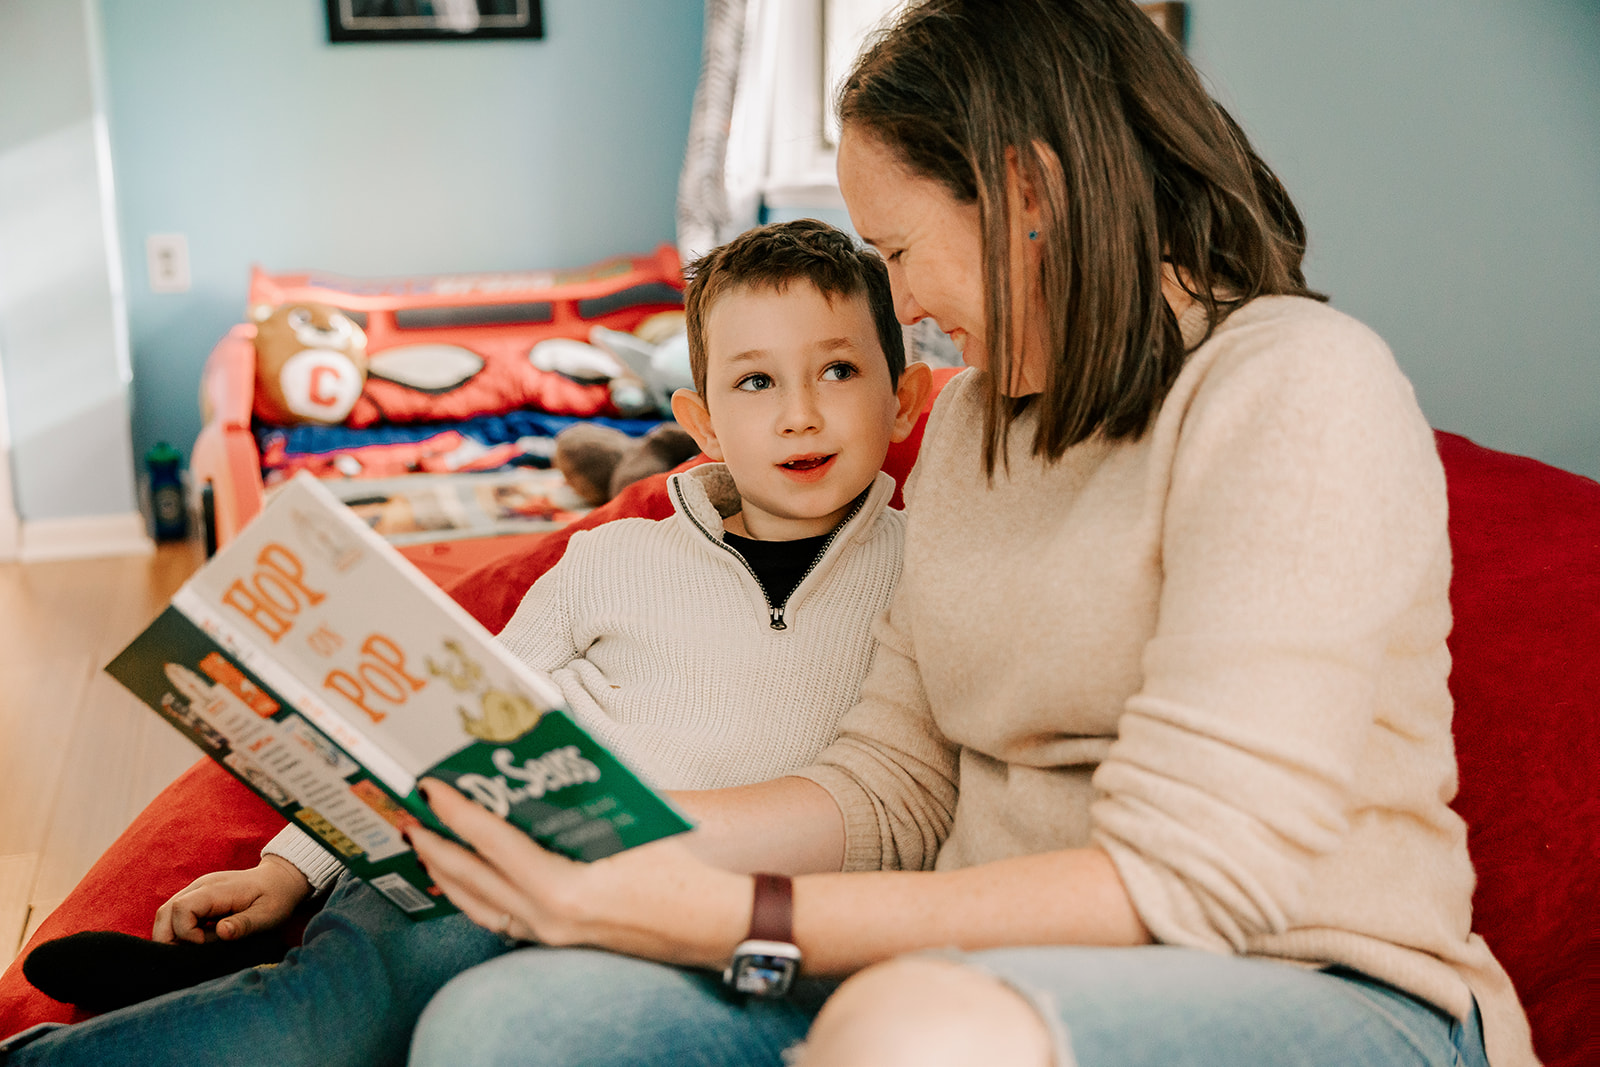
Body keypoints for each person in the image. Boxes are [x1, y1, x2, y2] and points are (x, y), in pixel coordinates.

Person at [400, 2, 1538, 1066]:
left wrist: (740, 914)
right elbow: (893, 783)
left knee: (913, 1026)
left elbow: (1197, 882)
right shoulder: (968, 429)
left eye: (894, 251)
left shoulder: (1291, 388)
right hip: (965, 968)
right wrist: (612, 838)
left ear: (1024, 192)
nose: (898, 308)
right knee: (513, 1019)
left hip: (1315, 979)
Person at [1, 218, 933, 1067]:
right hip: (482, 881)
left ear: (905, 400)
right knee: (335, 1014)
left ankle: (235, 994)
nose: (799, 412)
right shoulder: (610, 556)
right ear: (701, 423)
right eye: (756, 381)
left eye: (839, 370)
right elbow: (436, 730)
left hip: (692, 928)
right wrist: (286, 867)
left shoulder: (928, 566)